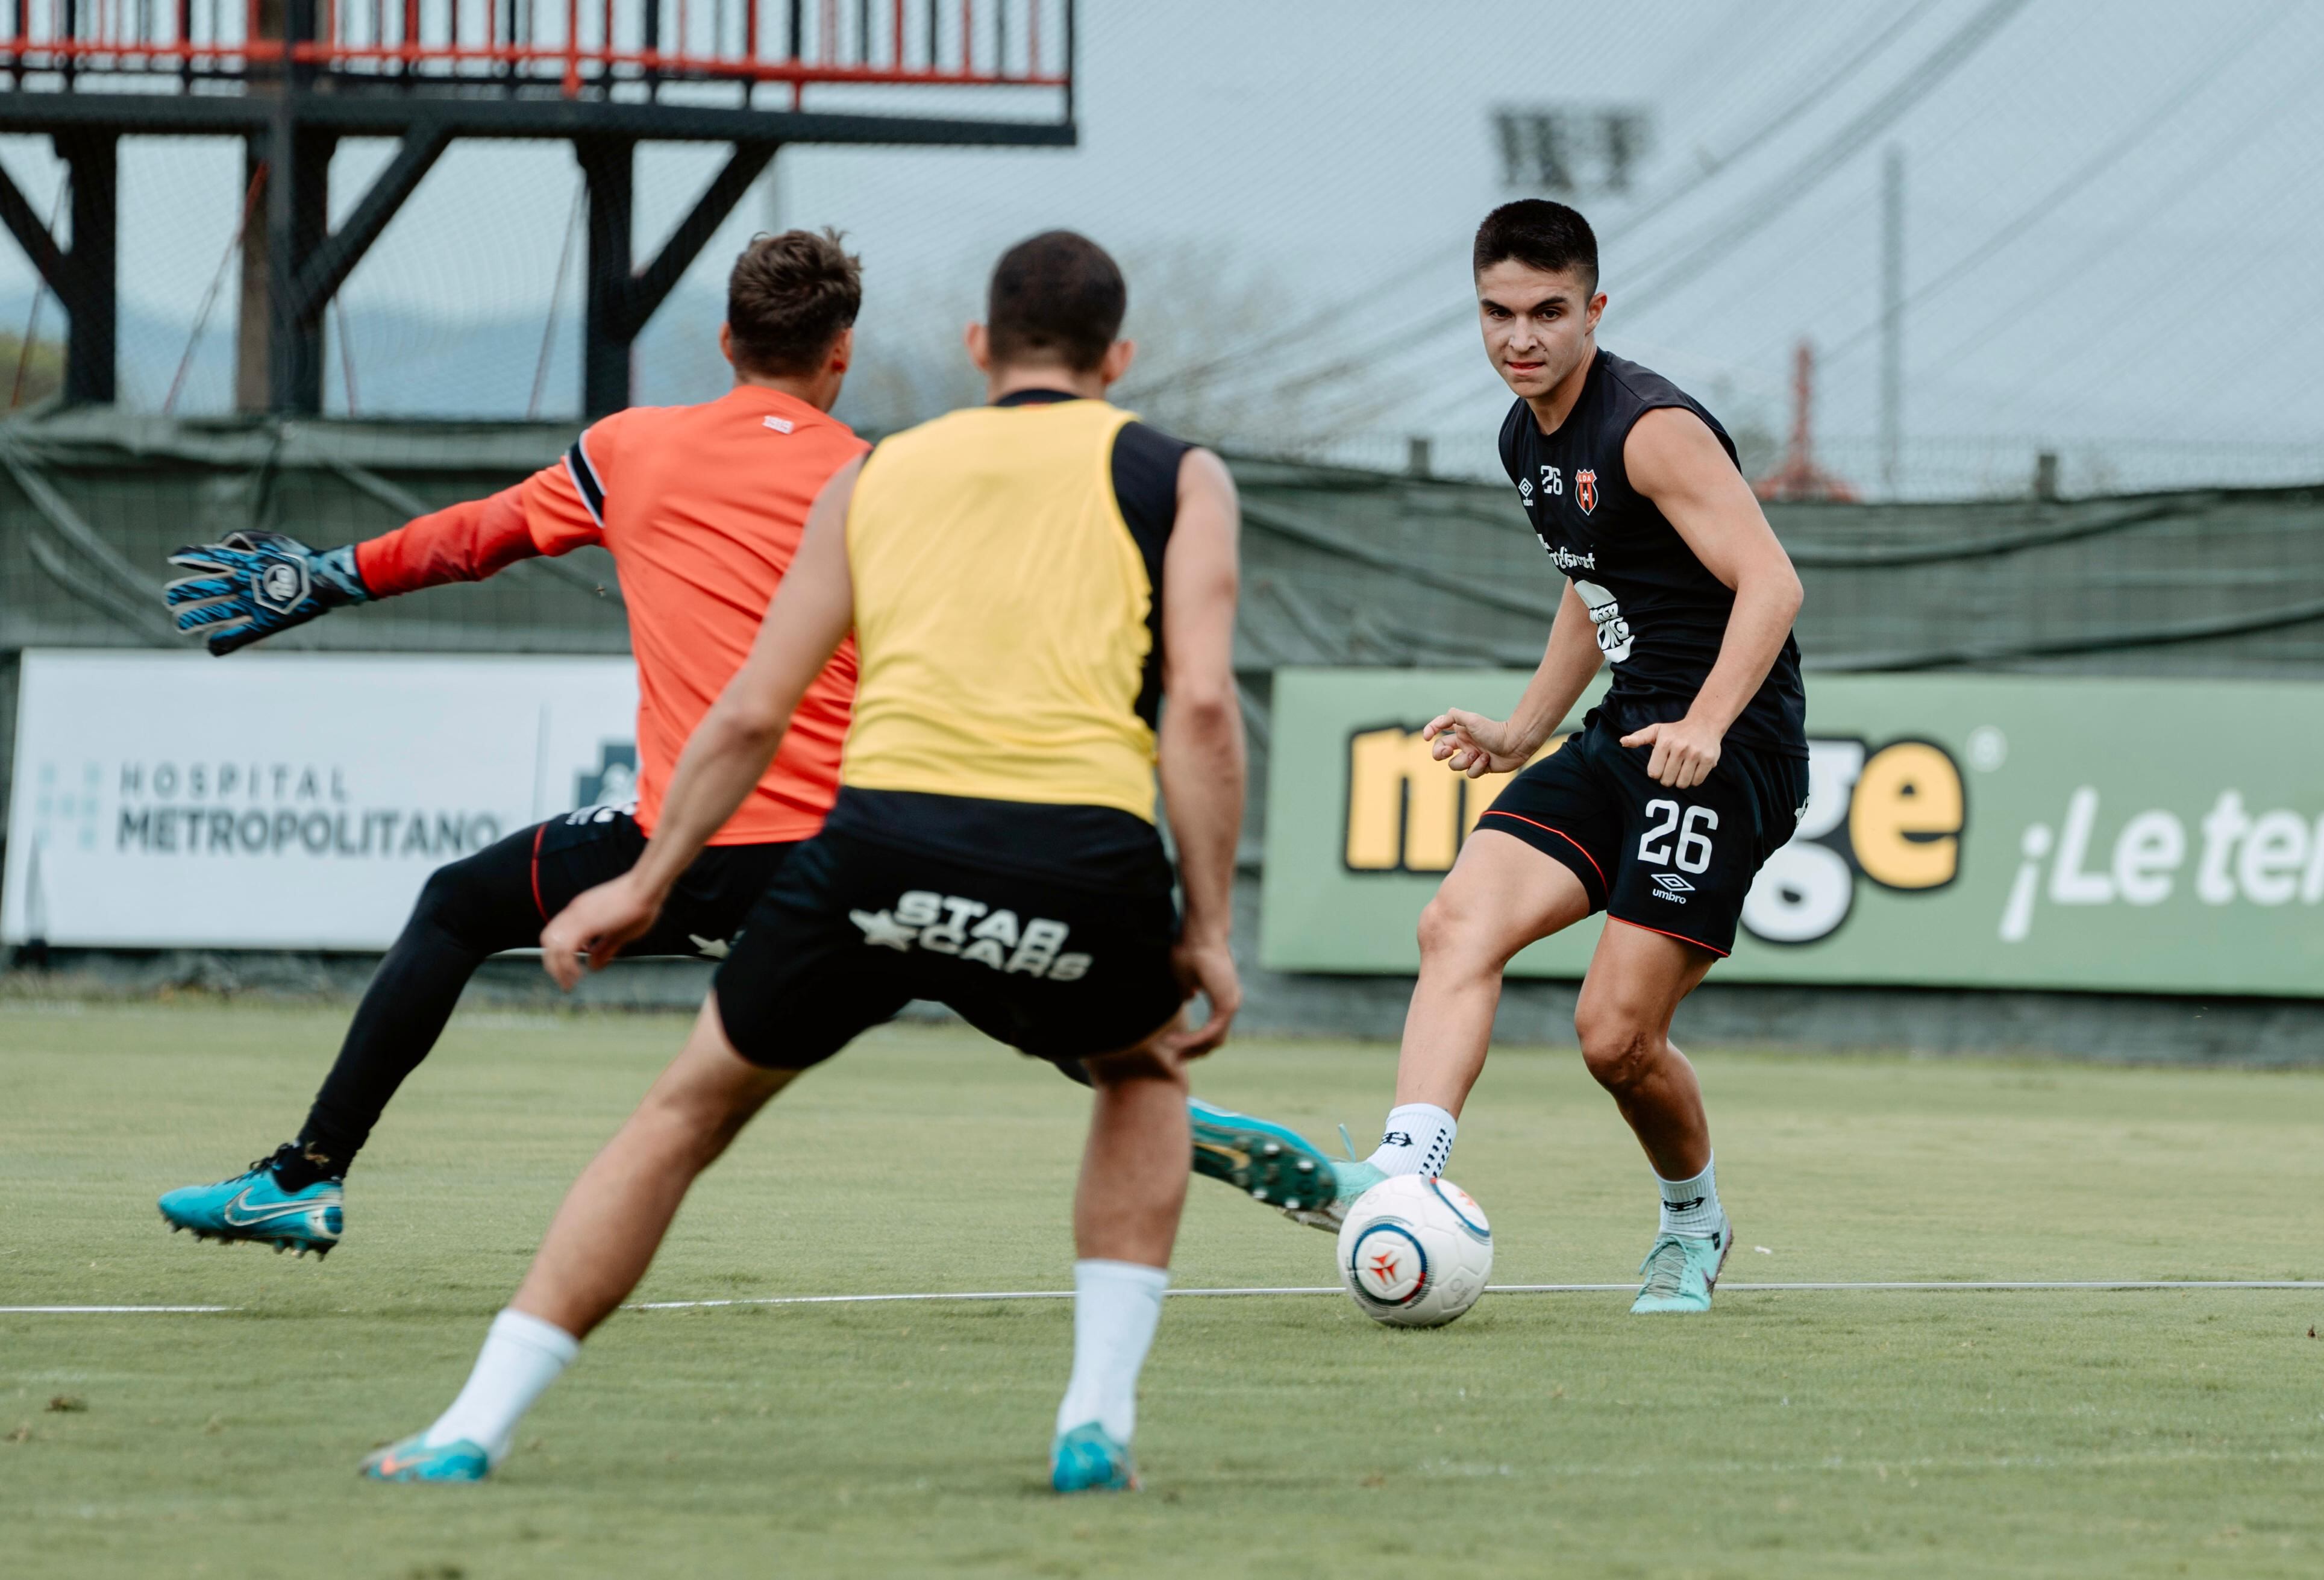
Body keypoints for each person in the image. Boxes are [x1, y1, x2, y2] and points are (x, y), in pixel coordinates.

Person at [357, 231, 1247, 1493]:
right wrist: (1206, 923)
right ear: (1120, 358)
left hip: (877, 847)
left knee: (685, 1112)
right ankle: (1094, 1422)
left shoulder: (879, 474)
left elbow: (748, 713)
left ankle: (470, 1427)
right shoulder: (1178, 473)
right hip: (1078, 859)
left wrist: (649, 877)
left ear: (979, 348)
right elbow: (1204, 712)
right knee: (1140, 1074)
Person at [154, 230, 871, 1257]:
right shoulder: (879, 480)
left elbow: (476, 536)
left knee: (457, 905)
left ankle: (303, 1177)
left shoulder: (630, 449)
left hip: (682, 851)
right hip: (839, 862)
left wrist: (328, 574)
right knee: (997, 965)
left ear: (724, 339)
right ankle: (1138, 1072)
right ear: (839, 352)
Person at [1206, 199, 1808, 1315]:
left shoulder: (1648, 427)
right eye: (1495, 313)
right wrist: (1524, 728)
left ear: (1593, 310)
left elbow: (1772, 583)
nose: (1518, 337)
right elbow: (1595, 578)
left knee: (1615, 1038)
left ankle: (1693, 1221)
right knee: (1455, 923)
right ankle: (1402, 1170)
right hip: (1624, 734)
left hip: (1724, 751)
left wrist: (1708, 723)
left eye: (1546, 313)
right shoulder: (1521, 433)